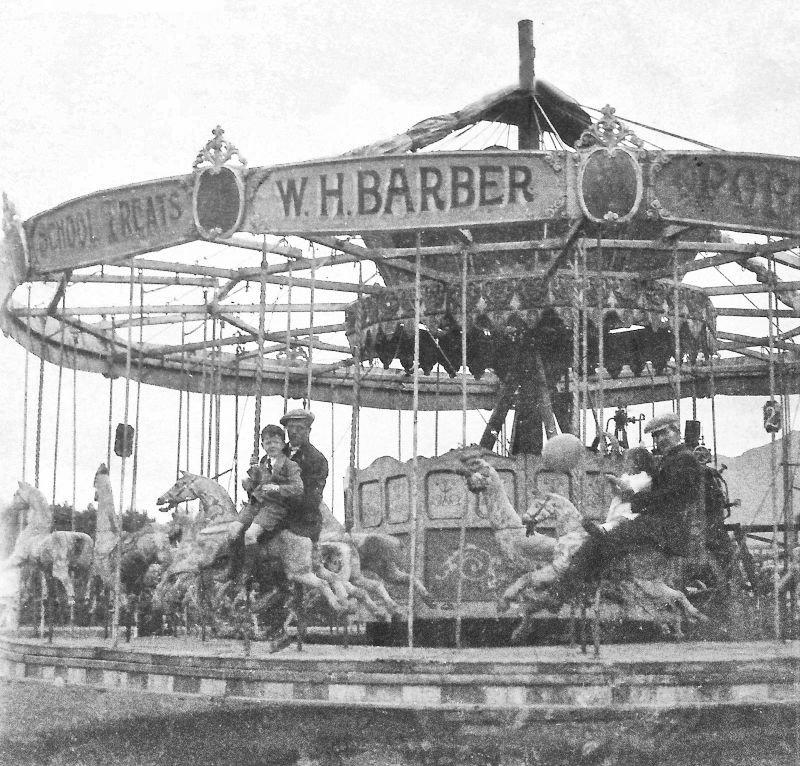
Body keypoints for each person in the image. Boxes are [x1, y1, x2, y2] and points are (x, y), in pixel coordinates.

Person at [562, 412, 704, 589]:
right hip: (662, 525)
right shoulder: (675, 459)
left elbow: (671, 496)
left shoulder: (683, 459)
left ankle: (568, 589)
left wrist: (633, 498)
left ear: (676, 431)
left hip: (665, 527)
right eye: (655, 436)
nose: (660, 440)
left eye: (663, 433)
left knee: (603, 540)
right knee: (607, 537)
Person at [229, 424, 303, 545]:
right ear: (263, 446)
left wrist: (278, 488)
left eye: (276, 442)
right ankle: (235, 562)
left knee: (250, 535)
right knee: (233, 530)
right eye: (268, 443)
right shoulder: (263, 463)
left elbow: (298, 488)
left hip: (274, 507)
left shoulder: (290, 465)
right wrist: (249, 483)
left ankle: (251, 564)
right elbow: (258, 484)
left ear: (283, 445)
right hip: (256, 504)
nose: (272, 446)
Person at [279, 408, 328, 543]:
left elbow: (312, 497)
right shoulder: (275, 455)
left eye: (299, 428)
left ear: (308, 430)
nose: (294, 432)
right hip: (276, 515)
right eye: (290, 428)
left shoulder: (316, 459)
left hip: (302, 520)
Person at [599, 446, 656, 532]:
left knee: (622, 520)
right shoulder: (627, 476)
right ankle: (605, 528)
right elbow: (619, 492)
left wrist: (614, 479)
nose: (624, 463)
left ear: (637, 463)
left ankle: (604, 528)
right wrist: (613, 485)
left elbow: (629, 489)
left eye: (627, 460)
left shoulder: (644, 477)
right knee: (614, 520)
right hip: (620, 505)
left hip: (631, 508)